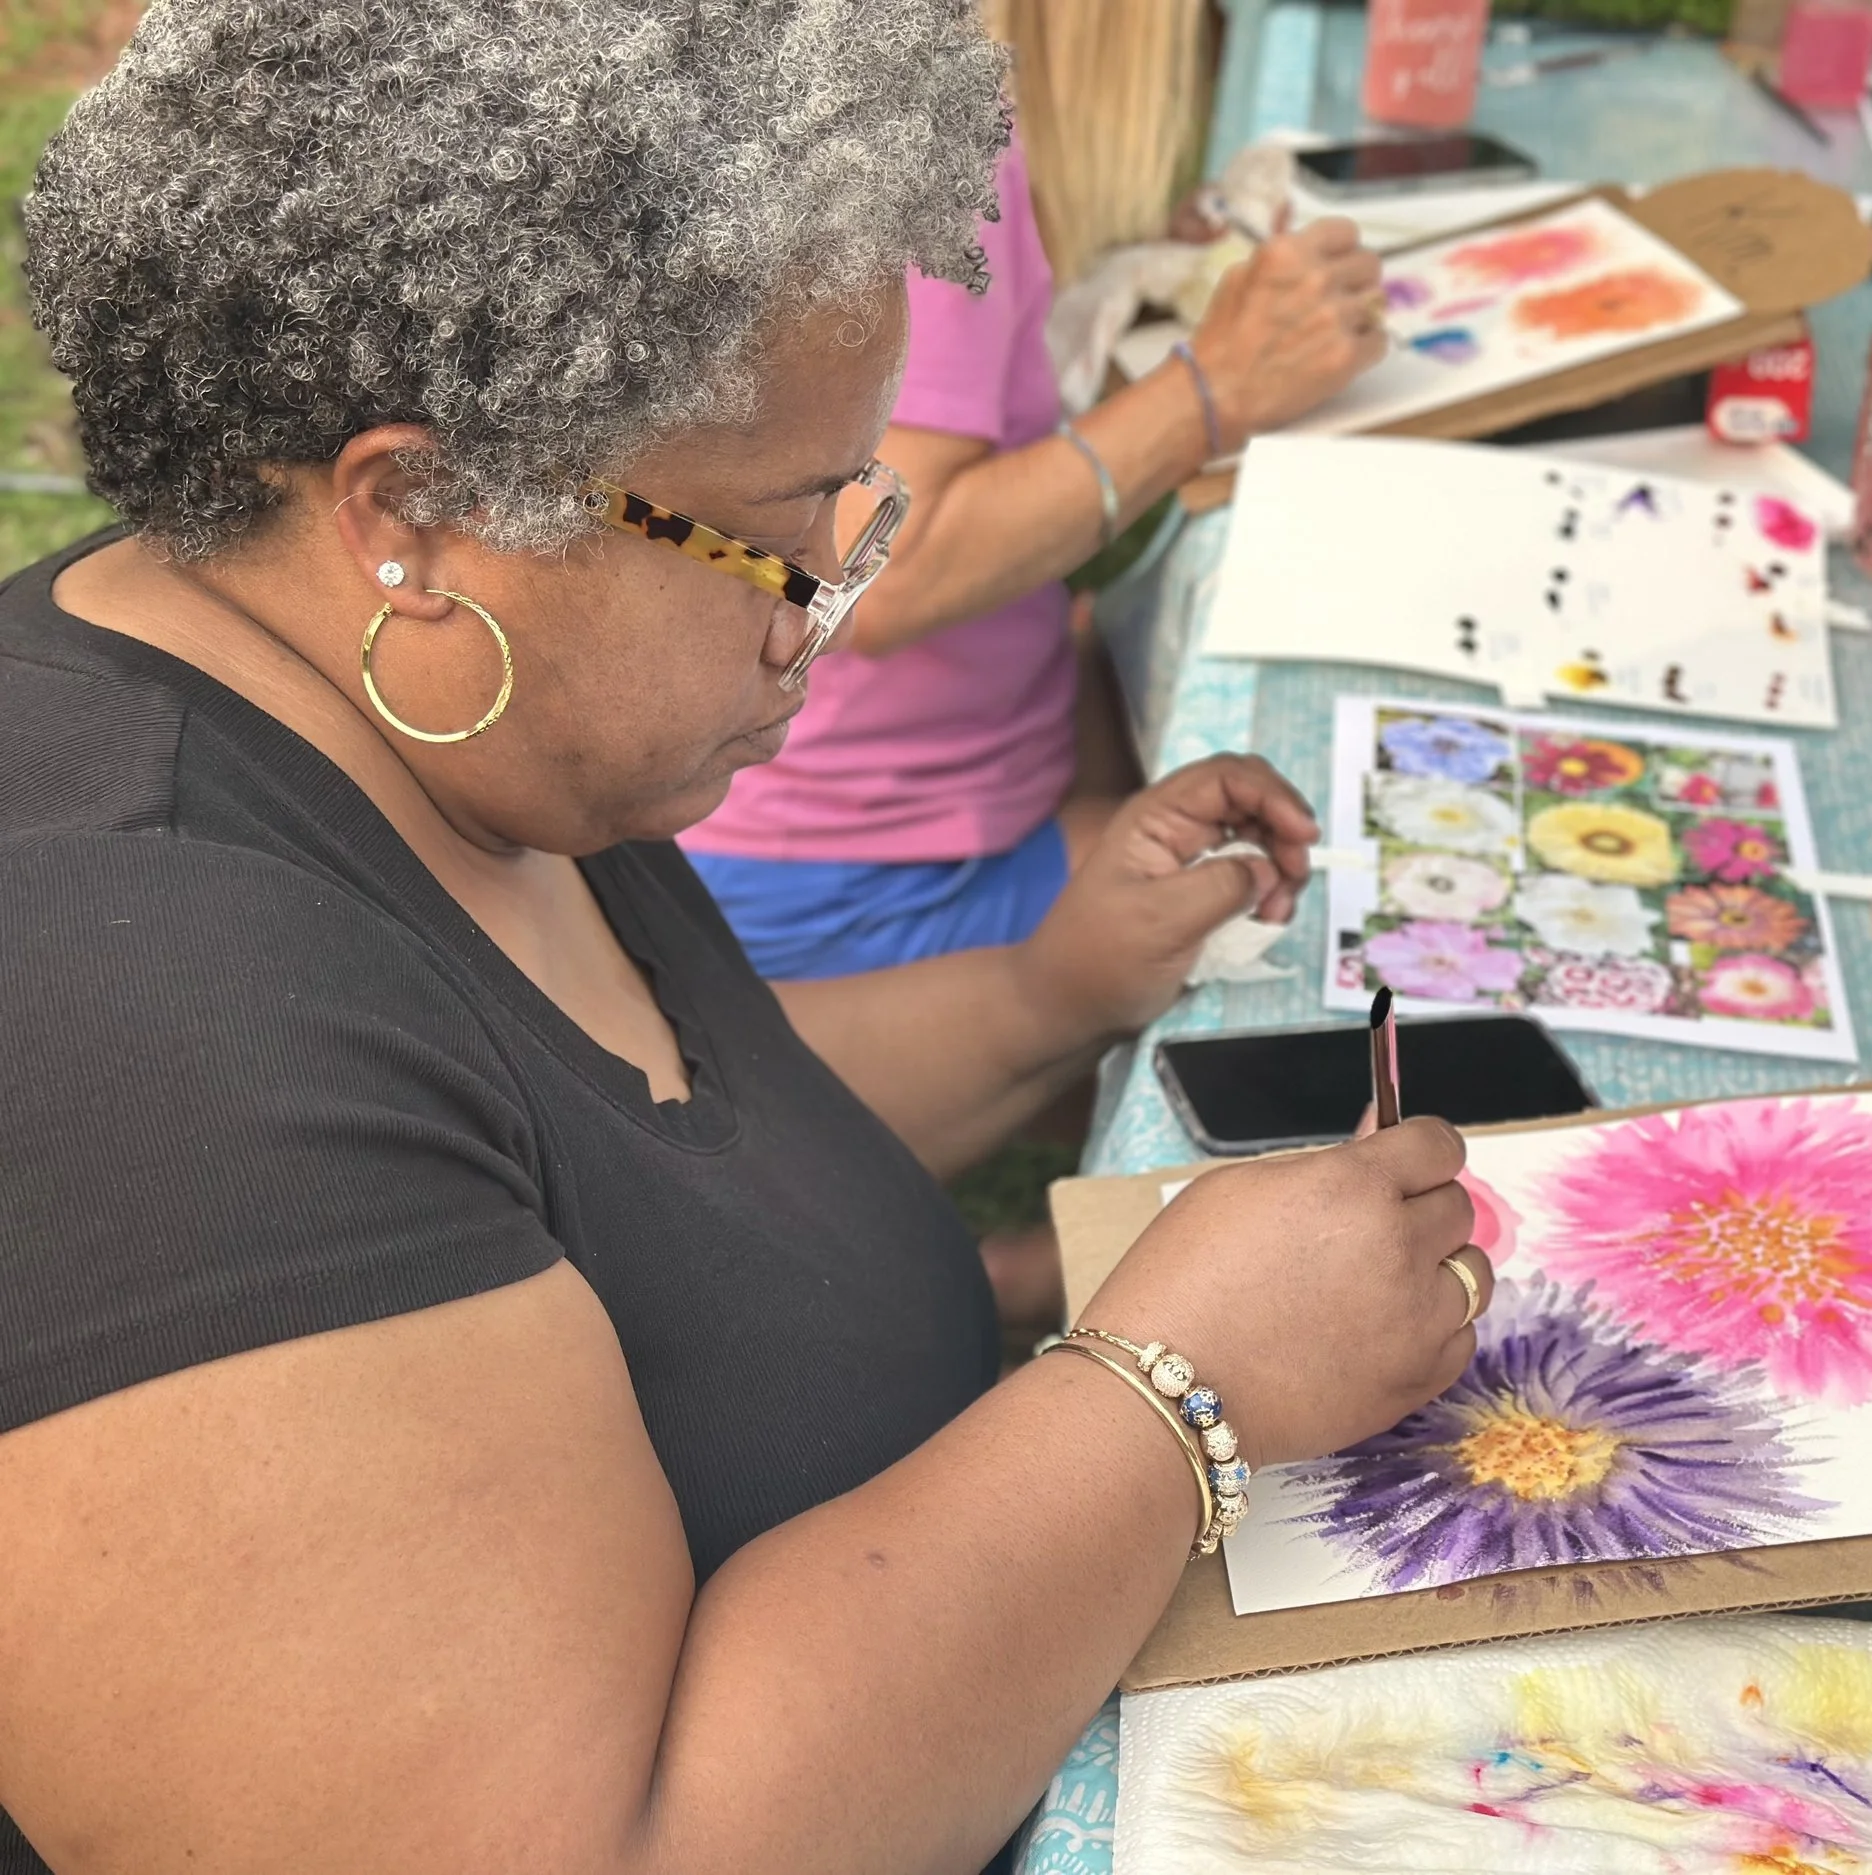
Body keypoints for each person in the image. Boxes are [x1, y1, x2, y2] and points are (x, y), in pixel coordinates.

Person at [0, 6, 1493, 1874]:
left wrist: (1055, 994)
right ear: (423, 513)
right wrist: (1177, 1397)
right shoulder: (128, 1017)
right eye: (794, 529)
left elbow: (637, 1141)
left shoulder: (423, 719)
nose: (823, 620)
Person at [678, 86, 1383, 983]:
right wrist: (1214, 391)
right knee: (1313, 899)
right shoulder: (908, 122)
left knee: (1207, 767)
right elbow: (872, 577)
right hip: (832, 871)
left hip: (798, 815)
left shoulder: (824, 85)